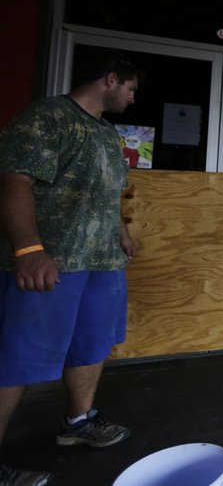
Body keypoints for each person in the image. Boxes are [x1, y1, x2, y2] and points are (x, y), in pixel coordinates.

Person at [0, 50, 144, 485]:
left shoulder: (106, 132)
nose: (133, 99)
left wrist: (120, 234)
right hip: (51, 263)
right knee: (17, 359)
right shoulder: (47, 117)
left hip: (101, 263)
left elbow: (110, 192)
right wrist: (28, 249)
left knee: (93, 346)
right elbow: (13, 181)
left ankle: (78, 423)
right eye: (132, 89)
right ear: (111, 79)